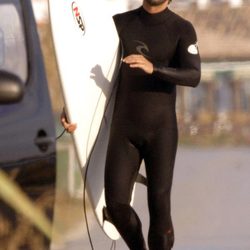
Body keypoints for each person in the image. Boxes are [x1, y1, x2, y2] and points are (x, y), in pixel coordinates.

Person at [61, 0, 201, 249]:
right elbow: (90, 72)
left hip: (162, 132)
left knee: (159, 205)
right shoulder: (119, 24)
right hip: (124, 130)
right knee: (114, 206)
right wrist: (71, 109)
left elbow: (193, 75)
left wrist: (153, 68)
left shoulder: (182, 29)